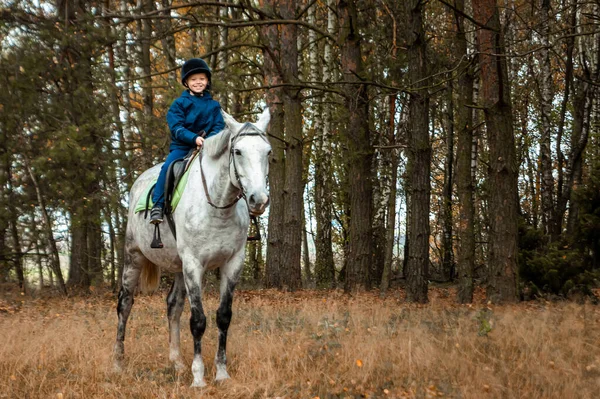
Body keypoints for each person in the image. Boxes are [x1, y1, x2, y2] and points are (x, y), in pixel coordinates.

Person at [150, 58, 225, 224]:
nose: (198, 82)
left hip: (208, 148)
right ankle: (158, 205)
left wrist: (209, 141)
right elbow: (176, 127)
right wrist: (194, 138)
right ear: (186, 82)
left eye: (202, 79)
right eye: (193, 79)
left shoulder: (214, 106)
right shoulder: (179, 104)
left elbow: (219, 126)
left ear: (207, 81)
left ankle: (245, 208)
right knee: (168, 167)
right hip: (182, 147)